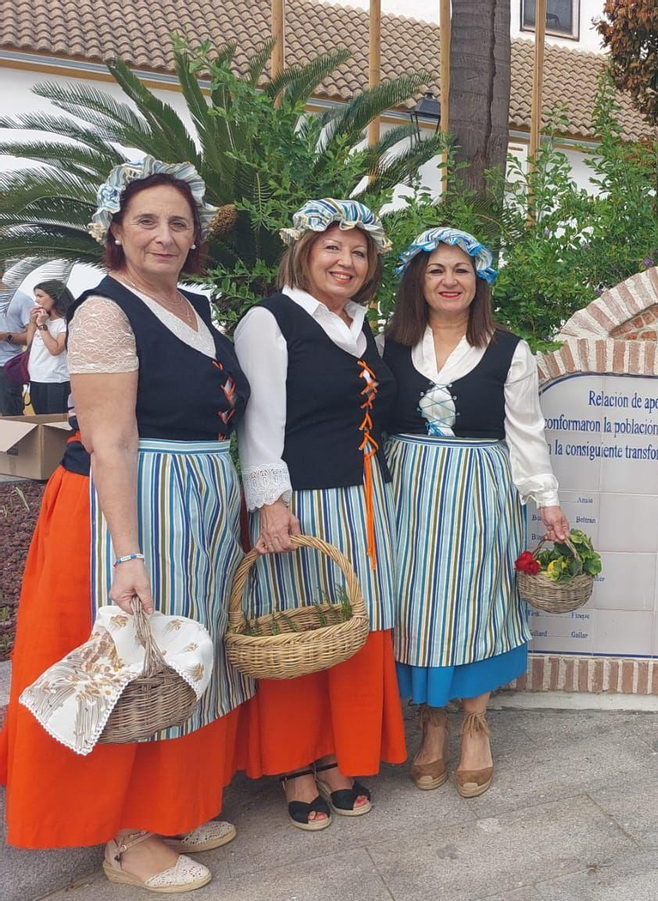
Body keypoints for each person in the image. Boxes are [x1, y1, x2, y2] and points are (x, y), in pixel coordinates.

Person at [0, 157, 250, 893]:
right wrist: (127, 551)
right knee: (127, 658)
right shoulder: (105, 310)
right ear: (114, 227)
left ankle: (171, 802)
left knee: (180, 653)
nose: (165, 235)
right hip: (129, 503)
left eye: (179, 222)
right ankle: (126, 832)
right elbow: (111, 440)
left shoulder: (194, 306)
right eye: (146, 220)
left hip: (195, 500)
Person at [234, 199, 406, 830]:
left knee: (352, 626)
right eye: (332, 247)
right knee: (298, 630)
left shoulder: (361, 328)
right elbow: (260, 422)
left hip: (362, 499)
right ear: (303, 251)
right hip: (301, 502)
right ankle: (295, 764)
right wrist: (271, 502)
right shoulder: (269, 319)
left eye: (359, 251)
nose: (347, 261)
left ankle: (337, 752)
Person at [381, 227, 568, 798]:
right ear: (418, 279)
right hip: (406, 491)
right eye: (436, 269)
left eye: (461, 270)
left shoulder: (508, 350)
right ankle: (431, 724)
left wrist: (547, 502)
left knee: (477, 600)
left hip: (480, 491)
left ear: (479, 280)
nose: (449, 280)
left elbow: (526, 432)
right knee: (415, 603)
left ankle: (476, 724)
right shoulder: (388, 343)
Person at [22, 280, 74, 413]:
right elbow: (30, 345)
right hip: (36, 378)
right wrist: (32, 322)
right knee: (41, 419)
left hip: (56, 381)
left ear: (54, 297)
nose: (37, 300)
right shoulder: (44, 320)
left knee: (55, 421)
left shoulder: (65, 322)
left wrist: (42, 326)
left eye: (40, 296)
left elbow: (55, 349)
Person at [0, 265, 29, 416]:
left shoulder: (20, 300)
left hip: (8, 367)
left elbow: (33, 338)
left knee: (12, 417)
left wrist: (5, 336)